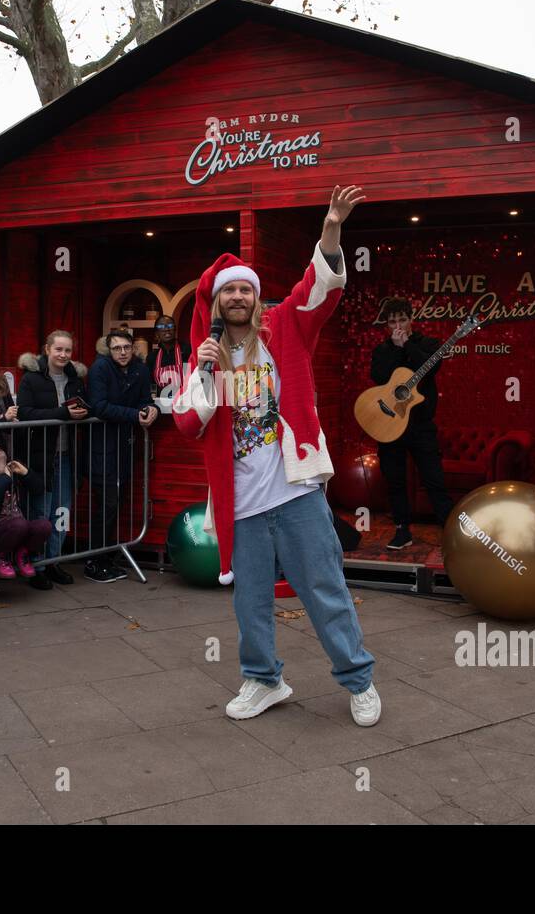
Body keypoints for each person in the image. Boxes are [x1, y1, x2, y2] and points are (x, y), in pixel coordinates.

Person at [173, 184, 381, 727]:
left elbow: (321, 287)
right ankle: (263, 680)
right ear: (217, 302)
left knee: (324, 588)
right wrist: (207, 372)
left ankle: (358, 680)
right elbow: (189, 423)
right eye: (229, 292)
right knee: (251, 603)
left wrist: (332, 226)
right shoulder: (207, 356)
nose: (238, 297)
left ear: (256, 297)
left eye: (246, 289)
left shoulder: (286, 326)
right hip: (240, 502)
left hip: (296, 490)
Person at [369, 297, 454, 549]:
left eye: (402, 320)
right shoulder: (382, 350)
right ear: (386, 325)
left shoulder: (428, 344)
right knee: (394, 480)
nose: (397, 325)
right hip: (390, 423)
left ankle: (450, 532)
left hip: (420, 425)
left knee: (434, 479)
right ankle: (402, 530)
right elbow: (379, 377)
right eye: (392, 321)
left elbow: (429, 368)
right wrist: (395, 348)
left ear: (411, 320)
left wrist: (406, 346)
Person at [16, 331, 89, 588]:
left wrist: (83, 411)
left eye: (68, 350)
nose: (63, 355)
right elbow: (25, 413)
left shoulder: (75, 378)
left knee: (62, 512)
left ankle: (53, 561)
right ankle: (34, 565)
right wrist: (63, 413)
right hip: (41, 457)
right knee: (41, 513)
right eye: (58, 349)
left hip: (67, 454)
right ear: (47, 349)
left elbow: (83, 406)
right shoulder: (31, 379)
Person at [85, 330, 156, 583]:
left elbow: (145, 399)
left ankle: (106, 557)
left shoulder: (139, 368)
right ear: (108, 350)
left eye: (127, 347)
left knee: (117, 502)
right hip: (102, 446)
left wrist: (151, 409)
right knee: (107, 503)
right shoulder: (100, 369)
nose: (123, 352)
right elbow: (99, 406)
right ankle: (94, 561)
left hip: (126, 445)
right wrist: (134, 415)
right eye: (117, 348)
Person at [0, 442, 49, 582]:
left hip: (20, 526)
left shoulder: (13, 470)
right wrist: (4, 476)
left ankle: (23, 553)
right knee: (19, 524)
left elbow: (39, 488)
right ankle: (1, 557)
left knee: (44, 525)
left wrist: (26, 473)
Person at [146, 313, 190, 398]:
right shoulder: (152, 357)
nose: (166, 329)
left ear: (175, 330)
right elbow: (151, 384)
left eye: (170, 325)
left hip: (185, 402)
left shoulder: (187, 350)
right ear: (156, 333)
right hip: (161, 404)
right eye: (161, 327)